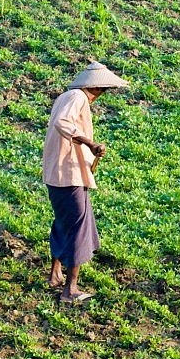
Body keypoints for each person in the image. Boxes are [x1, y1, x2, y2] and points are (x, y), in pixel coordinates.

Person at [42, 61, 128, 303]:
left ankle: (55, 274)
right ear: (97, 88)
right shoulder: (77, 97)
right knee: (78, 228)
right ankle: (70, 289)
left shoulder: (66, 96)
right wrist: (89, 144)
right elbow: (63, 124)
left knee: (64, 222)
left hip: (59, 173)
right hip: (68, 174)